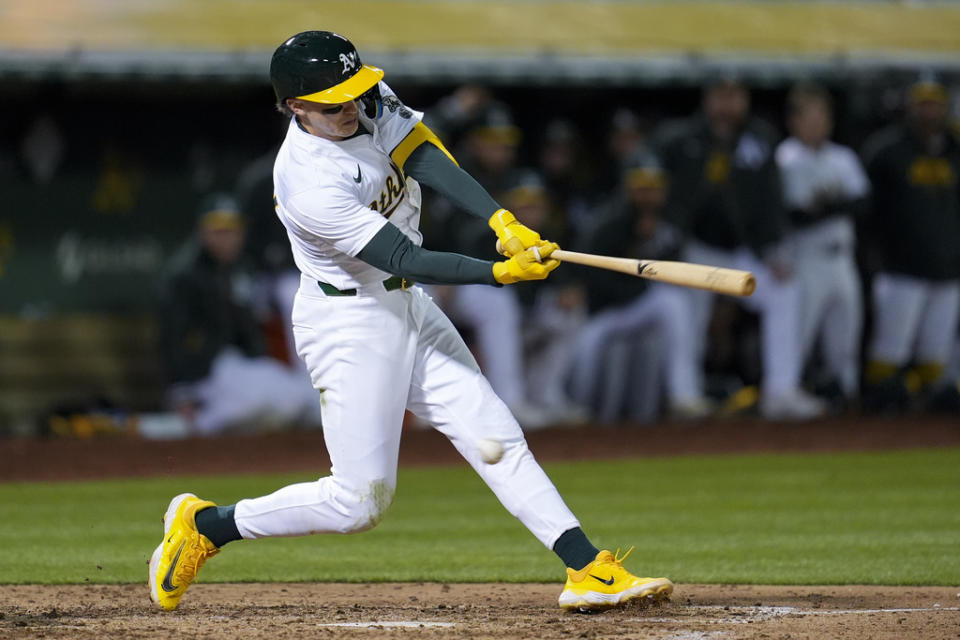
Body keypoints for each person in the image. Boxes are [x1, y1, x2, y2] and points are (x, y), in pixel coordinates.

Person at [148, 30, 672, 613]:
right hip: (349, 321)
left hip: (406, 305)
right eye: (333, 102)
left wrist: (500, 218)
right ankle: (207, 526)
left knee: (493, 431)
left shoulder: (362, 99)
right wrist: (499, 273)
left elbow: (419, 149)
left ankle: (587, 568)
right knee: (359, 503)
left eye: (355, 92)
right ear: (295, 107)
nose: (351, 107)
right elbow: (402, 256)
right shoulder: (306, 180)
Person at [654, 77, 825, 421]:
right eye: (720, 96)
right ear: (707, 99)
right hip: (696, 247)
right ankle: (684, 395)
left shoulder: (760, 138)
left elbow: (770, 200)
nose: (727, 106)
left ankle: (782, 391)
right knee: (686, 314)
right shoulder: (681, 139)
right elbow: (660, 191)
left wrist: (772, 249)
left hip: (742, 251)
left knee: (783, 290)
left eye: (734, 97)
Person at [157, 193, 322, 435]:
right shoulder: (185, 277)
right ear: (203, 232)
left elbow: (251, 332)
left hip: (239, 369)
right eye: (218, 231)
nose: (227, 239)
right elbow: (173, 338)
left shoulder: (242, 269)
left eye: (232, 231)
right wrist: (180, 390)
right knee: (282, 402)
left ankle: (210, 425)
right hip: (205, 376)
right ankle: (201, 423)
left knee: (303, 401)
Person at [567, 152, 711, 421]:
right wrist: (635, 242)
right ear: (628, 187)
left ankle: (684, 394)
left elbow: (673, 269)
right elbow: (591, 275)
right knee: (585, 347)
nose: (648, 193)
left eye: (654, 186)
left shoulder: (670, 219)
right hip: (603, 310)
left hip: (641, 304)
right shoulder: (608, 221)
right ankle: (576, 408)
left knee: (674, 302)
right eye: (642, 186)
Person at [860, 79, 960, 411]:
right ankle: (880, 406)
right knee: (891, 349)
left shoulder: (955, 149)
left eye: (935, 103)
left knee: (936, 352)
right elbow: (866, 211)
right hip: (900, 267)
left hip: (948, 267)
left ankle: (924, 411)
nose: (929, 111)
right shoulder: (887, 150)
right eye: (922, 103)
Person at [775, 83, 870, 408]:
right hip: (806, 259)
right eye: (810, 117)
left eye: (822, 117)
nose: (817, 124)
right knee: (799, 337)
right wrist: (835, 204)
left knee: (845, 340)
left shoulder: (843, 157)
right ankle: (787, 396)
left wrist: (826, 206)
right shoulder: (786, 159)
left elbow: (863, 203)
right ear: (794, 121)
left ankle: (846, 399)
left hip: (842, 258)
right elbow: (795, 215)